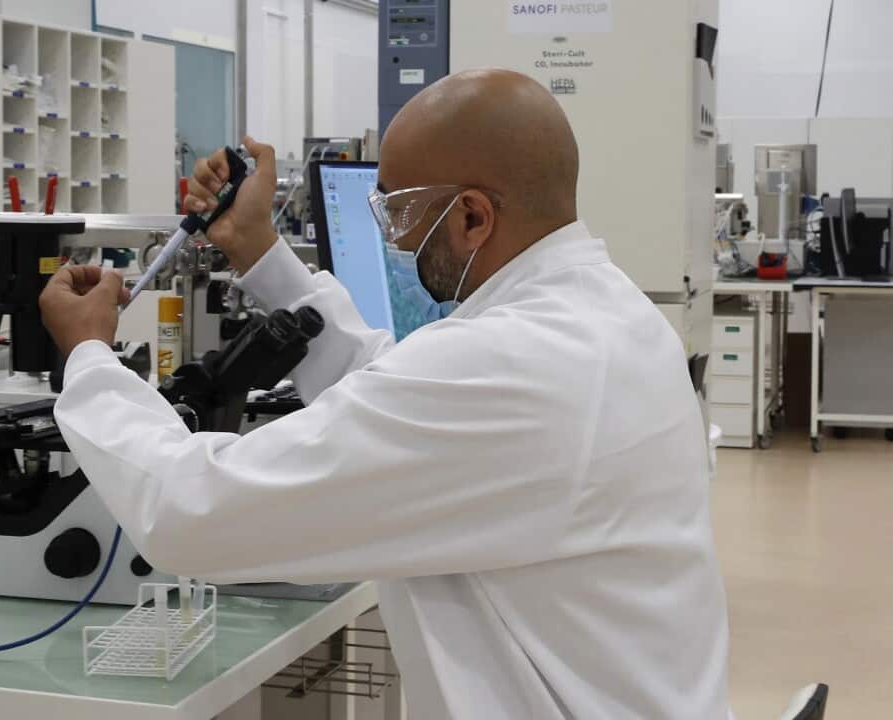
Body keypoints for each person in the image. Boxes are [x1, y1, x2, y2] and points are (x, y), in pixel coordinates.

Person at [40, 69, 730, 718]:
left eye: (396, 212)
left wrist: (91, 358)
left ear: (472, 218)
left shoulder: (514, 363)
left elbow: (191, 513)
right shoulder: (609, 316)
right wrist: (256, 247)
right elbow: (396, 386)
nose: (391, 236)